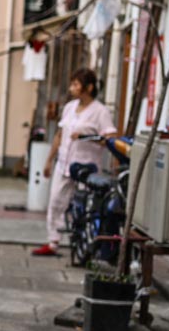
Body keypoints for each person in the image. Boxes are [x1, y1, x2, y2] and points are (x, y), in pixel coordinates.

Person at [33, 68, 118, 257]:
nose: (71, 88)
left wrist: (88, 137)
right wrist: (49, 160)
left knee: (84, 206)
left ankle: (85, 241)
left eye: (76, 84)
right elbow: (60, 134)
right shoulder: (69, 107)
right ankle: (53, 241)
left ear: (89, 87)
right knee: (55, 201)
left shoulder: (100, 112)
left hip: (86, 167)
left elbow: (111, 138)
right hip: (64, 163)